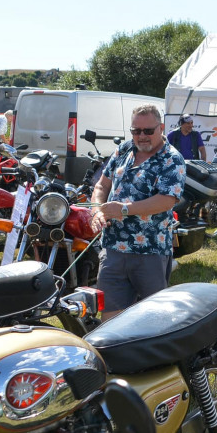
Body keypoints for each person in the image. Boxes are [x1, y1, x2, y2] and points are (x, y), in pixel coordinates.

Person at [90, 104, 185, 320]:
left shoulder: (172, 158)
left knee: (152, 319)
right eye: (135, 131)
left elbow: (167, 200)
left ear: (161, 128)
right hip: (113, 249)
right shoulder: (124, 150)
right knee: (110, 319)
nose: (141, 136)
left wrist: (122, 209)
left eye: (148, 131)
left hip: (149, 251)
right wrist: (97, 211)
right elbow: (101, 186)